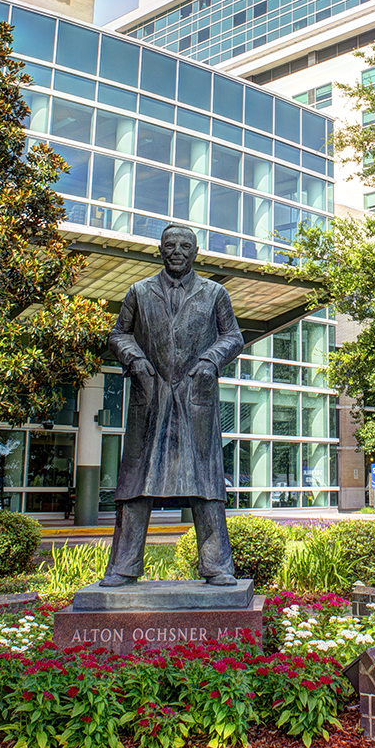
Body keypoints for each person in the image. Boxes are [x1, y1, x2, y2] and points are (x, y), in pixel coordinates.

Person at [100, 225, 246, 586]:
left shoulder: (215, 293)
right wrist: (134, 360)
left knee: (207, 483)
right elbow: (119, 333)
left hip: (196, 396)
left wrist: (211, 361)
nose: (177, 251)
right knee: (135, 483)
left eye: (185, 245)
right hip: (151, 396)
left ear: (196, 251)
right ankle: (123, 566)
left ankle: (217, 566)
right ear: (160, 250)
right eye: (170, 245)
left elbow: (233, 336)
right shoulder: (139, 291)